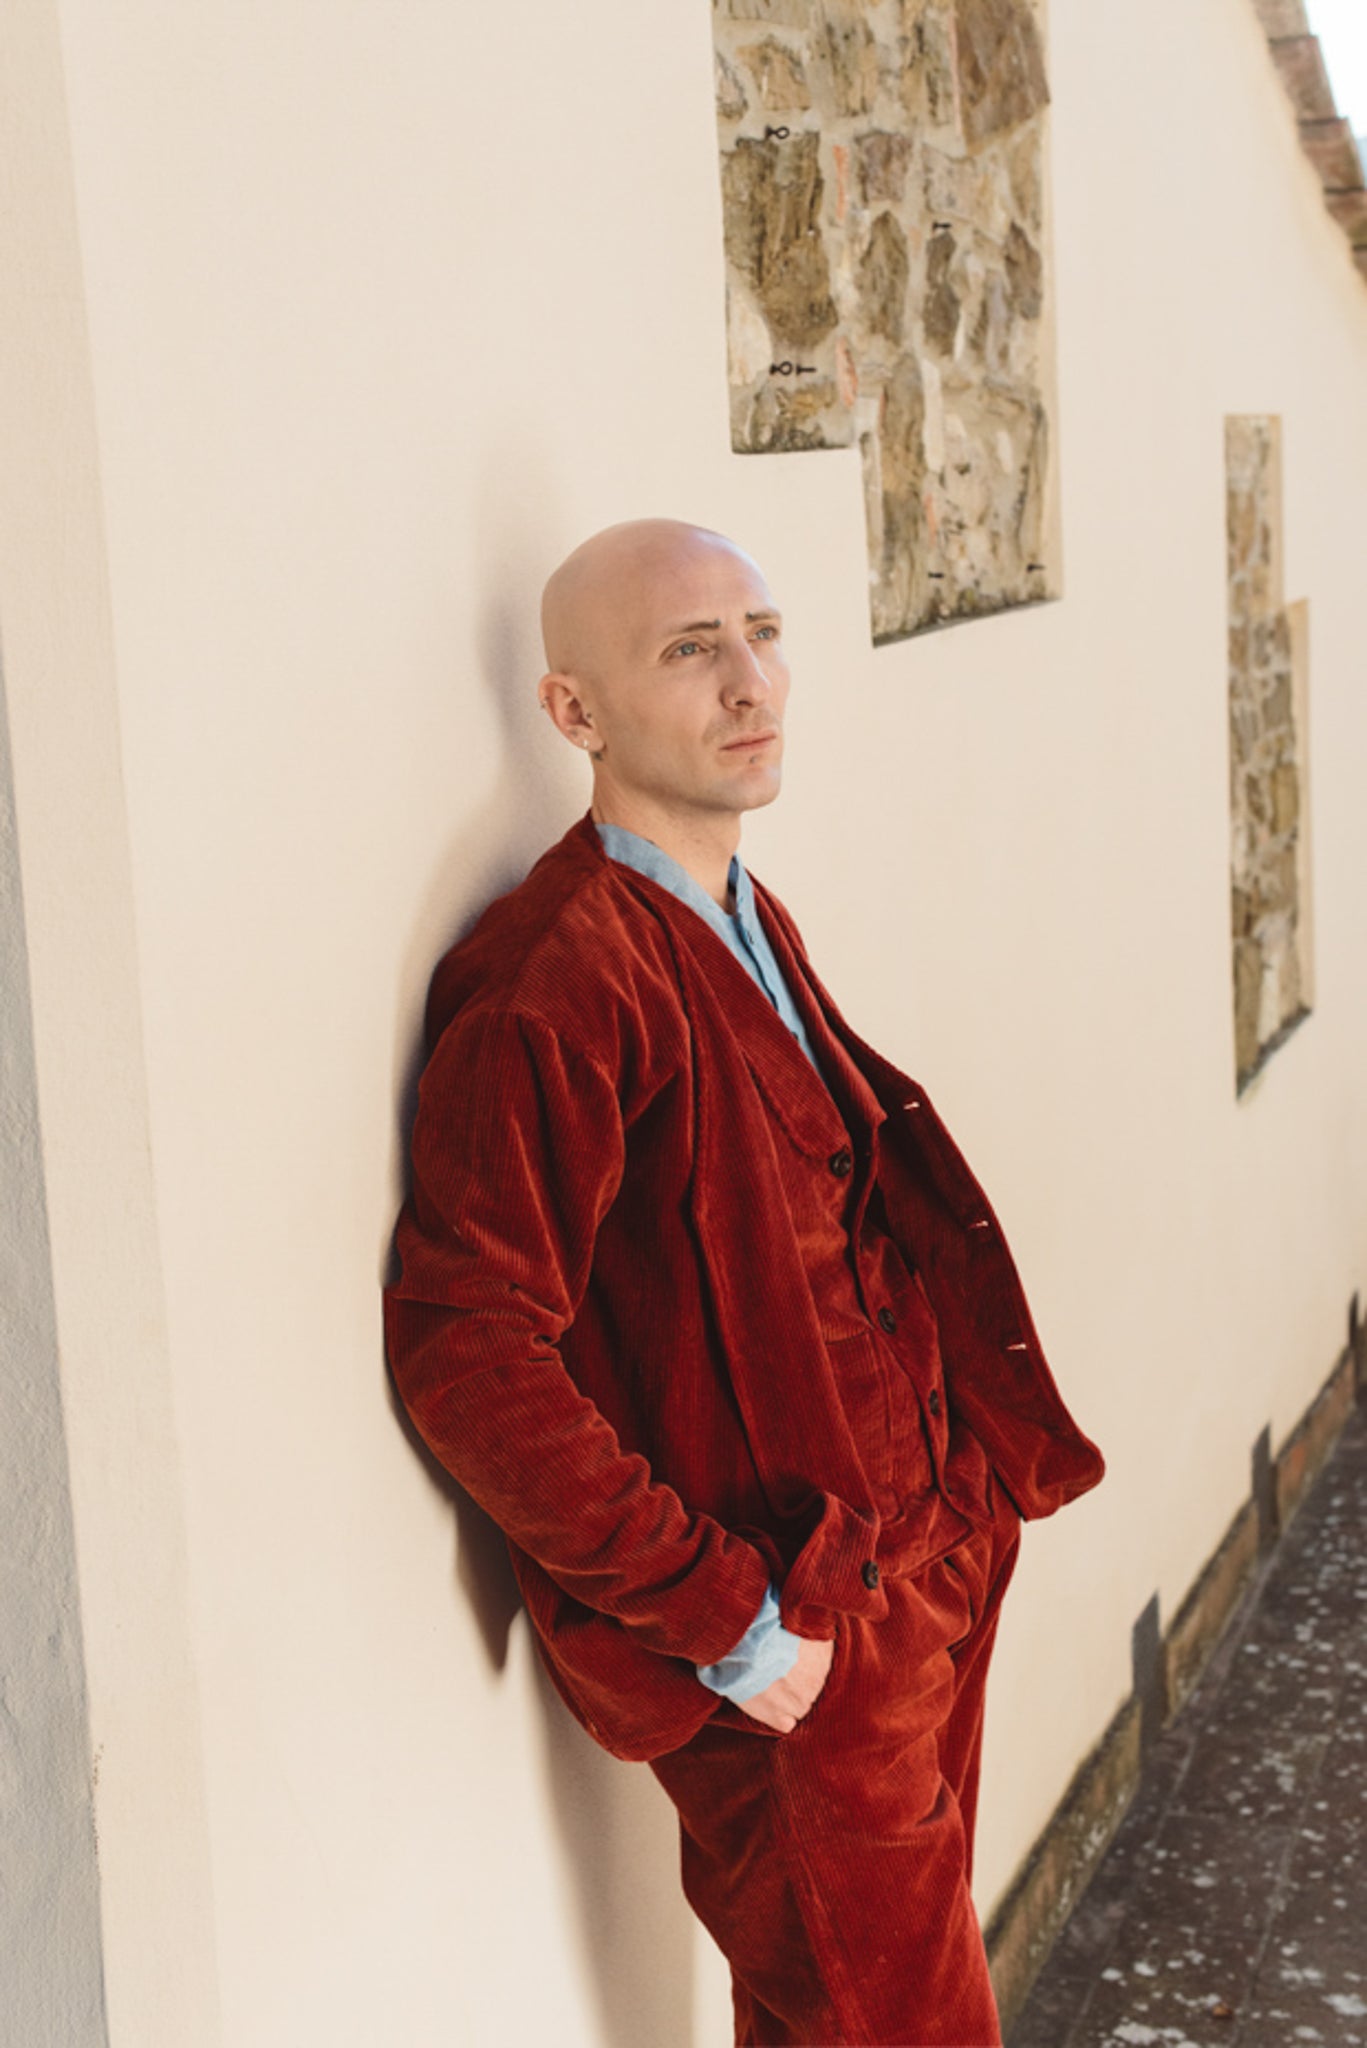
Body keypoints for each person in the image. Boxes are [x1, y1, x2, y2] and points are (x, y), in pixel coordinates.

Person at [383, 518, 1104, 2047]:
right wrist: (731, 1619)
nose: (751, 680)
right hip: (800, 1634)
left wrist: (960, 1493)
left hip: (922, 1570)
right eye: (690, 649)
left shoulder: (736, 908)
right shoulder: (559, 979)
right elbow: (468, 1348)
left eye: (762, 632)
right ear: (574, 712)